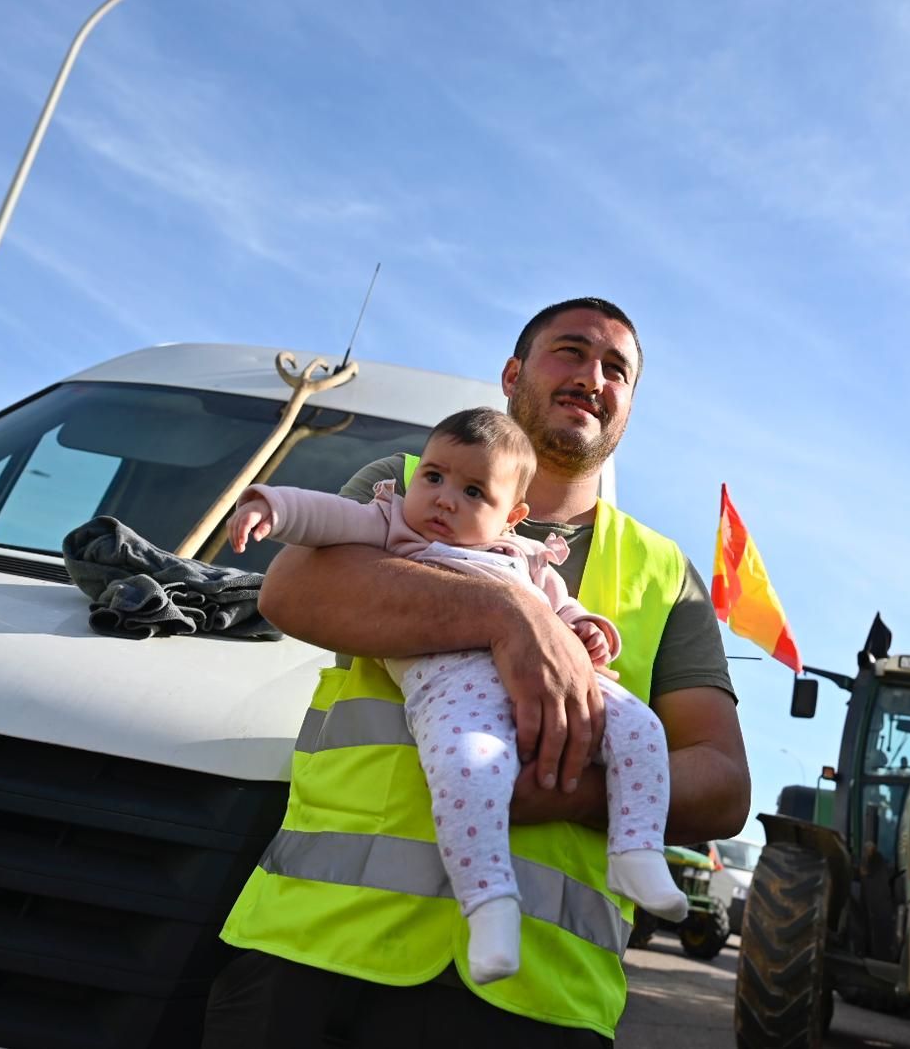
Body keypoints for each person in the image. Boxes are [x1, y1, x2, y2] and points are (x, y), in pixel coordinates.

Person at [205, 297, 749, 1048]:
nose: (594, 376)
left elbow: (721, 782)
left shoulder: (664, 574)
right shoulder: (405, 486)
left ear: (627, 408)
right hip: (318, 953)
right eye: (572, 351)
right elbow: (295, 591)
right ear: (512, 373)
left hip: (539, 997)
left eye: (616, 369)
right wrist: (509, 614)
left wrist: (569, 795)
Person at [222, 406, 689, 984]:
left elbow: (562, 611)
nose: (443, 499)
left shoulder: (523, 558)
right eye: (434, 478)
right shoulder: (394, 525)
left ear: (511, 518)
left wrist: (590, 629)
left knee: (643, 730)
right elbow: (325, 516)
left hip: (565, 688)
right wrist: (272, 507)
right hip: (453, 691)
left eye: (472, 491)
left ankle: (636, 853)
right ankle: (489, 905)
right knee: (470, 768)